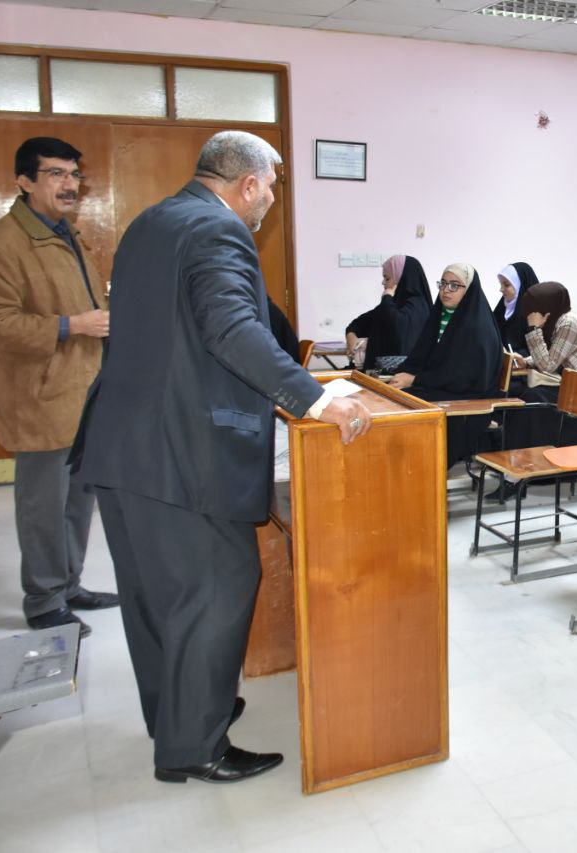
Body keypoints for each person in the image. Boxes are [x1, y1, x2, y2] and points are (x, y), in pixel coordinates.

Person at [69, 131, 372, 783]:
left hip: (120, 445)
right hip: (179, 451)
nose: (270, 201)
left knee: (153, 596)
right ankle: (195, 746)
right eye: (273, 186)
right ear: (250, 184)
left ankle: (176, 716)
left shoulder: (152, 220)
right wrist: (315, 399)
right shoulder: (218, 231)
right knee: (217, 586)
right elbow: (231, 328)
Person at [0, 136, 117, 638]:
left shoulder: (66, 234)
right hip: (40, 393)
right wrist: (72, 326)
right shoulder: (3, 243)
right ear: (24, 182)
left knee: (78, 499)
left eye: (73, 175)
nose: (69, 185)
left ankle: (69, 585)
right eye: (56, 175)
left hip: (85, 389)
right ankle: (43, 601)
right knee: (43, 505)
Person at [389, 263, 502, 466]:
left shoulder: (477, 327)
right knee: (395, 397)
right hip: (443, 387)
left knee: (407, 405)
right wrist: (403, 373)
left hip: (469, 397)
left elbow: (465, 376)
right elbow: (421, 355)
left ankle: (418, 470)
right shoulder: (440, 315)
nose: (445, 291)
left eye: (454, 285)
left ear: (469, 290)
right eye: (443, 284)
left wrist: (415, 379)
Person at [504, 281, 577, 450]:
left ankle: (529, 457)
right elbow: (554, 356)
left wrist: (534, 329)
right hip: (576, 386)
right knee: (529, 396)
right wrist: (526, 361)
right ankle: (518, 455)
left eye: (533, 309)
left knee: (535, 397)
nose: (529, 315)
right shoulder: (560, 319)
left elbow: (548, 366)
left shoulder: (568, 322)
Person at [345, 255, 432, 373]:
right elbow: (357, 324)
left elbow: (395, 327)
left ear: (401, 279)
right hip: (378, 376)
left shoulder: (417, 307)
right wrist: (351, 338)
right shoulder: (391, 305)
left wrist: (386, 297)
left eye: (387, 278)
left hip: (401, 382)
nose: (383, 283)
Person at [492, 261, 539, 356]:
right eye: (501, 284)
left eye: (506, 284)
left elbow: (537, 353)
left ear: (520, 285)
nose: (501, 289)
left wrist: (513, 355)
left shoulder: (535, 313)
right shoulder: (502, 309)